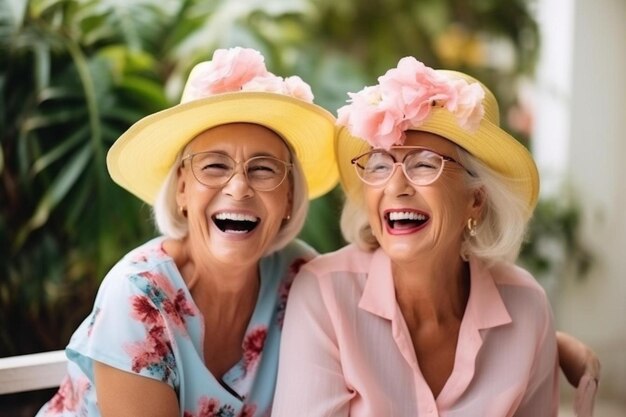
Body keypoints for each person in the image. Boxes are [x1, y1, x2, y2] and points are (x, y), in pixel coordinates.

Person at [271, 57, 598, 416]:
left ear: (476, 199)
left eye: (424, 163)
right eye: (379, 164)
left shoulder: (528, 307)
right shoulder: (324, 294)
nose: (395, 186)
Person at [35, 46, 338, 417]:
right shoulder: (137, 295)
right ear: (181, 189)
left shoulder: (302, 278)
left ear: (289, 196)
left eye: (263, 169)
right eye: (213, 166)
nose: (239, 188)